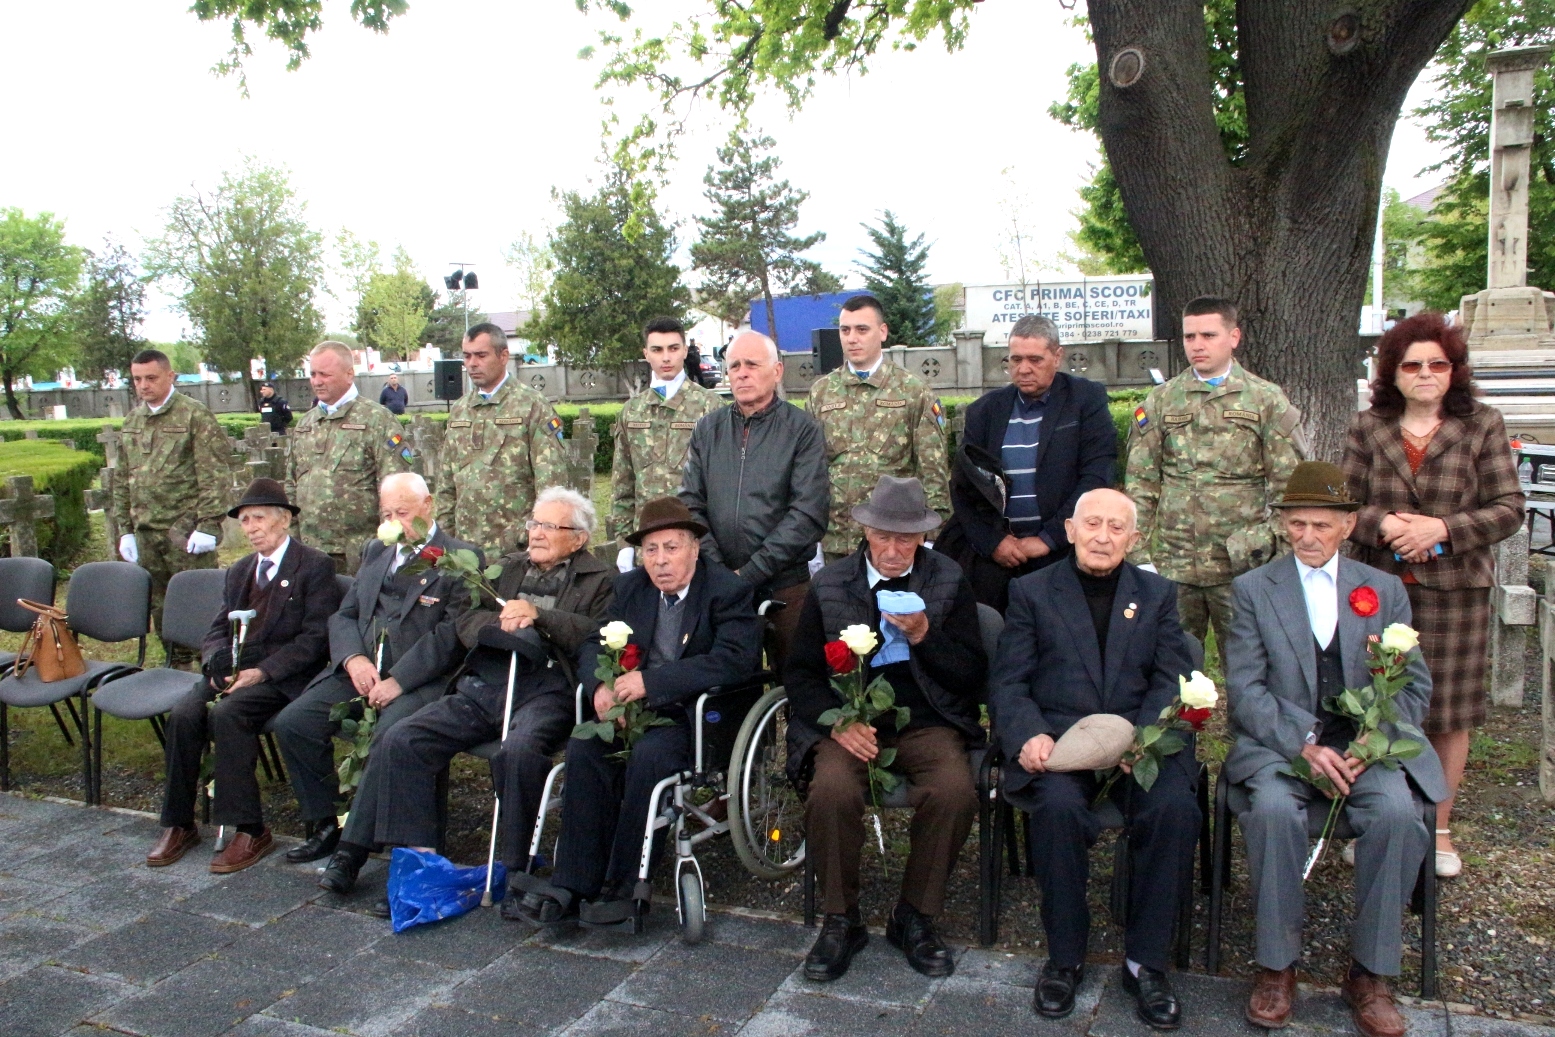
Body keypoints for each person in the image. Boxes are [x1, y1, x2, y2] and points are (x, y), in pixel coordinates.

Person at [317, 487, 614, 915]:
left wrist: (539, 617)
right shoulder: (506, 567)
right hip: (486, 682)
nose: (536, 533)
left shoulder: (601, 579)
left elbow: (597, 633)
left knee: (518, 752)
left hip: (548, 691)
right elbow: (466, 618)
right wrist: (499, 626)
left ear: (578, 538)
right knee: (404, 739)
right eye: (534, 523)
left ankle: (515, 868)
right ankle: (420, 869)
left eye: (550, 526)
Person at [1225, 461, 1445, 1037]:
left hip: (1364, 748)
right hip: (1282, 744)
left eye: (1321, 525)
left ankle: (1369, 974)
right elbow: (1246, 691)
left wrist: (1372, 741)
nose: (1307, 537)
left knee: (1397, 816)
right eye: (1296, 524)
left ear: (1347, 526)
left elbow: (1412, 687)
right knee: (1273, 812)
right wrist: (1303, 743)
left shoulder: (1384, 590)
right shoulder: (1253, 590)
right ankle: (1276, 967)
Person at [990, 488, 1200, 1030]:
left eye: (1116, 527)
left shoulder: (1157, 594)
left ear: (1134, 538)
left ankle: (1145, 963)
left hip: (1139, 742)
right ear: (1070, 530)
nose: (1103, 537)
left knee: (1174, 808)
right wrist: (1029, 734)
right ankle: (1065, 958)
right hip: (1063, 743)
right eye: (1092, 524)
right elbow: (1010, 680)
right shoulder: (1031, 591)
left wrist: (1144, 740)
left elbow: (1170, 678)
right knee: (1058, 809)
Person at [510, 497, 761, 930]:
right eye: (651, 550)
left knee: (649, 756)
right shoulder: (630, 588)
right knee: (585, 747)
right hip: (631, 708)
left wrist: (654, 682)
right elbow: (595, 642)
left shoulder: (726, 591)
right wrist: (600, 686)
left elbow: (734, 660)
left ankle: (625, 885)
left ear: (694, 548)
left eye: (671, 548)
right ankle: (572, 882)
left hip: (693, 714)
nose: (660, 561)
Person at [1341, 312, 1523, 878]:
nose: (1425, 374)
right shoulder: (1367, 427)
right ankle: (1380, 819)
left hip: (1455, 592)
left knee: (1446, 713)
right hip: (1378, 589)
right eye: (1412, 364)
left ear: (1453, 371)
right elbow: (1344, 504)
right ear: (1392, 373)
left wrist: (1440, 530)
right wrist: (1389, 526)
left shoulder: (1483, 425)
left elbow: (1509, 508)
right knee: (1378, 705)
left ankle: (1439, 829)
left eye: (1437, 364)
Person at [784, 476, 986, 982]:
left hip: (927, 718)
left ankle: (914, 914)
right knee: (831, 790)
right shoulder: (831, 583)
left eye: (906, 539)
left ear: (923, 538)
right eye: (883, 537)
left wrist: (925, 636)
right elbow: (801, 674)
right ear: (866, 533)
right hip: (849, 720)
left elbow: (971, 675)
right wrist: (838, 722)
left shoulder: (948, 578)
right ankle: (841, 918)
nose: (893, 551)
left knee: (954, 791)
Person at [269, 472, 479, 865]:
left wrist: (400, 680)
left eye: (403, 512)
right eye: (386, 514)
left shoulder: (459, 558)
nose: (394, 522)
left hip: (419, 681)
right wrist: (354, 659)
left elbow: (450, 636)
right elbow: (345, 614)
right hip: (362, 670)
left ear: (428, 505)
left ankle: (353, 850)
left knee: (389, 737)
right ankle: (326, 823)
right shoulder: (375, 551)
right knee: (295, 722)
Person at [145, 479, 342, 873]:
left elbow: (315, 639)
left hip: (284, 676)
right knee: (184, 714)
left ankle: (250, 829)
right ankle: (179, 822)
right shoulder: (239, 571)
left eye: (259, 518)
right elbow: (218, 628)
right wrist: (215, 665)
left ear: (284, 520)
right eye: (245, 520)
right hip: (233, 670)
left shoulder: (314, 566)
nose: (251, 528)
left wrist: (262, 672)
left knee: (228, 714)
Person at [1125, 296, 1305, 670]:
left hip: (1241, 564)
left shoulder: (1265, 399)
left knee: (1249, 666)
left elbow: (1291, 487)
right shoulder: (1162, 400)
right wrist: (1139, 557)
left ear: (1233, 337)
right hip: (1174, 564)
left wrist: (1277, 554)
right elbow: (1141, 483)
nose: (1197, 345)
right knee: (1169, 666)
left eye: (1208, 335)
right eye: (1189, 336)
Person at [937, 314, 1118, 611]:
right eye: (1016, 359)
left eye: (1035, 360)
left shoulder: (1085, 400)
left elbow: (1097, 476)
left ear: (1057, 357)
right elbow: (964, 487)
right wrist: (994, 542)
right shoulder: (985, 411)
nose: (1023, 369)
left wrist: (1049, 538)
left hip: (1063, 553)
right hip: (997, 558)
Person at [680, 331, 828, 672]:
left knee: (797, 680)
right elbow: (690, 503)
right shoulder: (708, 429)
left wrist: (749, 574)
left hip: (785, 585)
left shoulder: (802, 430)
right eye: (734, 366)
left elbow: (808, 513)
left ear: (777, 371)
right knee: (727, 682)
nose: (742, 373)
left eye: (752, 364)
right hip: (719, 584)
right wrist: (719, 570)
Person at [809, 294, 950, 563]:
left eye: (862, 329)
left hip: (894, 542)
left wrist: (933, 535)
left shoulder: (913, 391)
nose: (852, 338)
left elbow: (933, 470)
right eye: (845, 330)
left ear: (882, 332)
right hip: (836, 539)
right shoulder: (821, 392)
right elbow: (810, 470)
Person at [112, 348, 230, 665]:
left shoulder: (194, 416)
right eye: (137, 379)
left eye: (151, 378)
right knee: (161, 607)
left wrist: (208, 524)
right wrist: (125, 530)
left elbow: (215, 474)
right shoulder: (133, 421)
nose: (144, 385)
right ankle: (175, 667)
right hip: (147, 534)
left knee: (199, 606)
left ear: (170, 376)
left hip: (185, 534)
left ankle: (212, 670)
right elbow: (122, 479)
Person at [436, 322, 570, 556]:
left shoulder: (532, 405)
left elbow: (551, 485)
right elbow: (446, 485)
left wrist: (530, 538)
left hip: (515, 551)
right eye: (467, 356)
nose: (472, 363)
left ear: (503, 356)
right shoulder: (459, 410)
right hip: (464, 552)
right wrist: (445, 541)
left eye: (481, 355)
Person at [288, 340, 412, 575]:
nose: (317, 381)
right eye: (313, 374)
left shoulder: (377, 420)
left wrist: (385, 551)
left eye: (325, 374)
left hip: (359, 555)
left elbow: (396, 490)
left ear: (349, 374)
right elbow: (291, 484)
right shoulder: (305, 424)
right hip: (309, 553)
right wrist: (293, 541)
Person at [608, 316, 722, 558]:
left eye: (673, 348)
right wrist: (624, 544)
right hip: (646, 544)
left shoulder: (711, 407)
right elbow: (623, 484)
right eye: (657, 350)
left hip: (696, 543)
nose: (666, 357)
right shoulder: (632, 411)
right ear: (646, 354)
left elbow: (722, 485)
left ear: (685, 351)